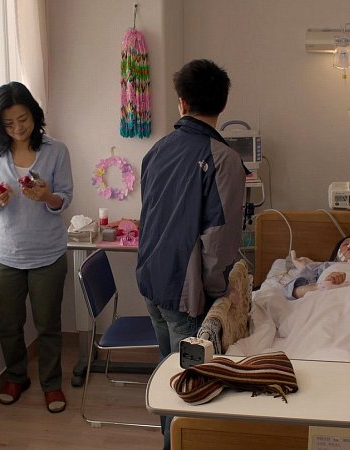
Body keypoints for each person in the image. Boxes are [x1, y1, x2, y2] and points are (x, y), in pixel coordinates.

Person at [136, 59, 246, 449]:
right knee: (188, 386)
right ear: (223, 104)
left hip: (151, 280)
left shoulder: (156, 151)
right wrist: (217, 294)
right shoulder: (224, 159)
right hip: (186, 293)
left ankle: (168, 438)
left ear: (182, 102)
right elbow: (219, 239)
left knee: (168, 370)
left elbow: (150, 214)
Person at [0, 81, 73, 413]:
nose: (18, 128)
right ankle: (16, 376)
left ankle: (51, 384)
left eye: (23, 119)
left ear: (34, 114)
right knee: (8, 323)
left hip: (48, 254)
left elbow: (65, 198)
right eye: (9, 123)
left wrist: (46, 196)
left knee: (48, 325)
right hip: (5, 254)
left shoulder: (56, 150)